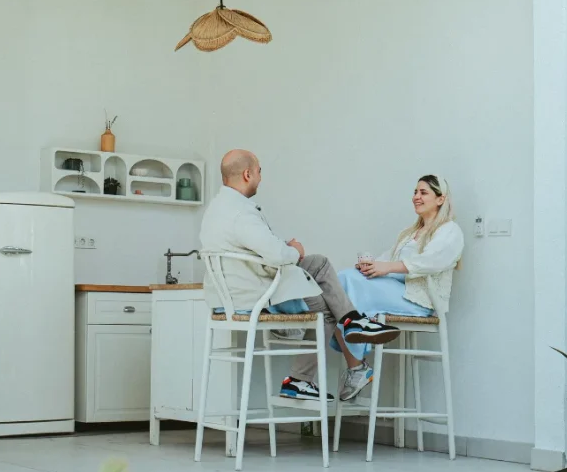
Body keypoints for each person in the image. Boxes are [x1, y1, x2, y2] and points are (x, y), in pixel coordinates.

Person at [199, 149, 401, 402]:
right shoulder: (241, 212)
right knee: (322, 292)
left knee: (318, 269)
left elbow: (255, 249)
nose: (261, 178)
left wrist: (285, 249)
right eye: (260, 172)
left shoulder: (218, 208)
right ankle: (307, 372)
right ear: (248, 174)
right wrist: (293, 250)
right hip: (254, 295)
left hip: (231, 293)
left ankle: (350, 325)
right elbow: (276, 256)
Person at [331, 175, 465, 402]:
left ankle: (357, 367)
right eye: (415, 192)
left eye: (423, 193)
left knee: (342, 286)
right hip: (397, 291)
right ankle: (356, 366)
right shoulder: (409, 233)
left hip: (419, 300)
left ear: (440, 199)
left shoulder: (449, 230)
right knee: (342, 281)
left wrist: (386, 268)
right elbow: (388, 259)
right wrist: (371, 267)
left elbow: (431, 262)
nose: (416, 197)